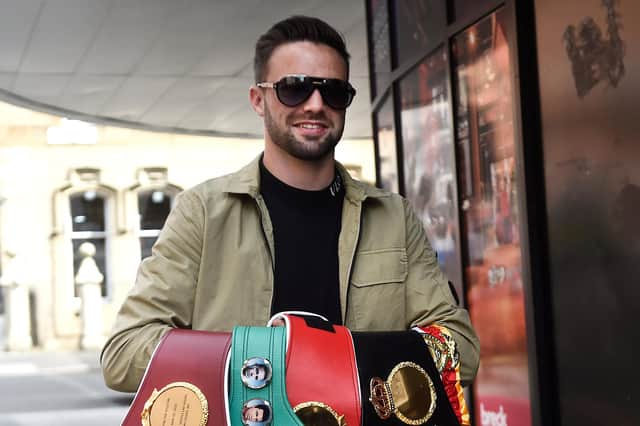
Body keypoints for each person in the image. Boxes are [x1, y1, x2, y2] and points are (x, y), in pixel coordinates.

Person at [101, 15, 479, 393]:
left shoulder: (392, 216)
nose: (315, 104)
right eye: (294, 89)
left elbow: (461, 348)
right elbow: (123, 354)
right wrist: (263, 361)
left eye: (332, 91)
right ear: (258, 100)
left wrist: (344, 360)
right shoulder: (202, 212)